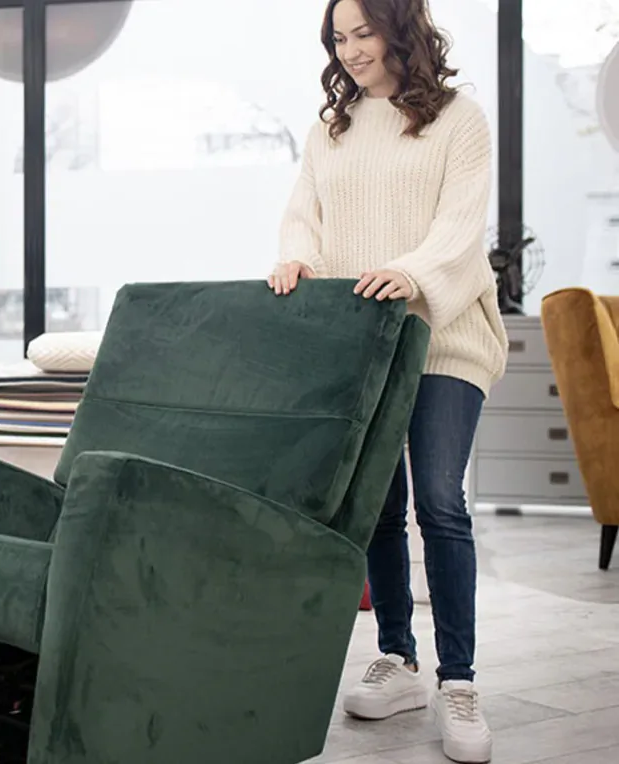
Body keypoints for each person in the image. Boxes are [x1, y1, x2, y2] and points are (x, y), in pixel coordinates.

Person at [269, 1, 508, 761]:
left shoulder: (458, 120)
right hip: (360, 342)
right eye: (339, 38)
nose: (351, 50)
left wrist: (409, 273)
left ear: (400, 29)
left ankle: (459, 682)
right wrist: (296, 258)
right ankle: (399, 658)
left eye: (363, 32)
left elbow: (460, 231)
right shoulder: (329, 130)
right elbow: (304, 215)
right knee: (376, 508)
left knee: (440, 503)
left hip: (444, 338)